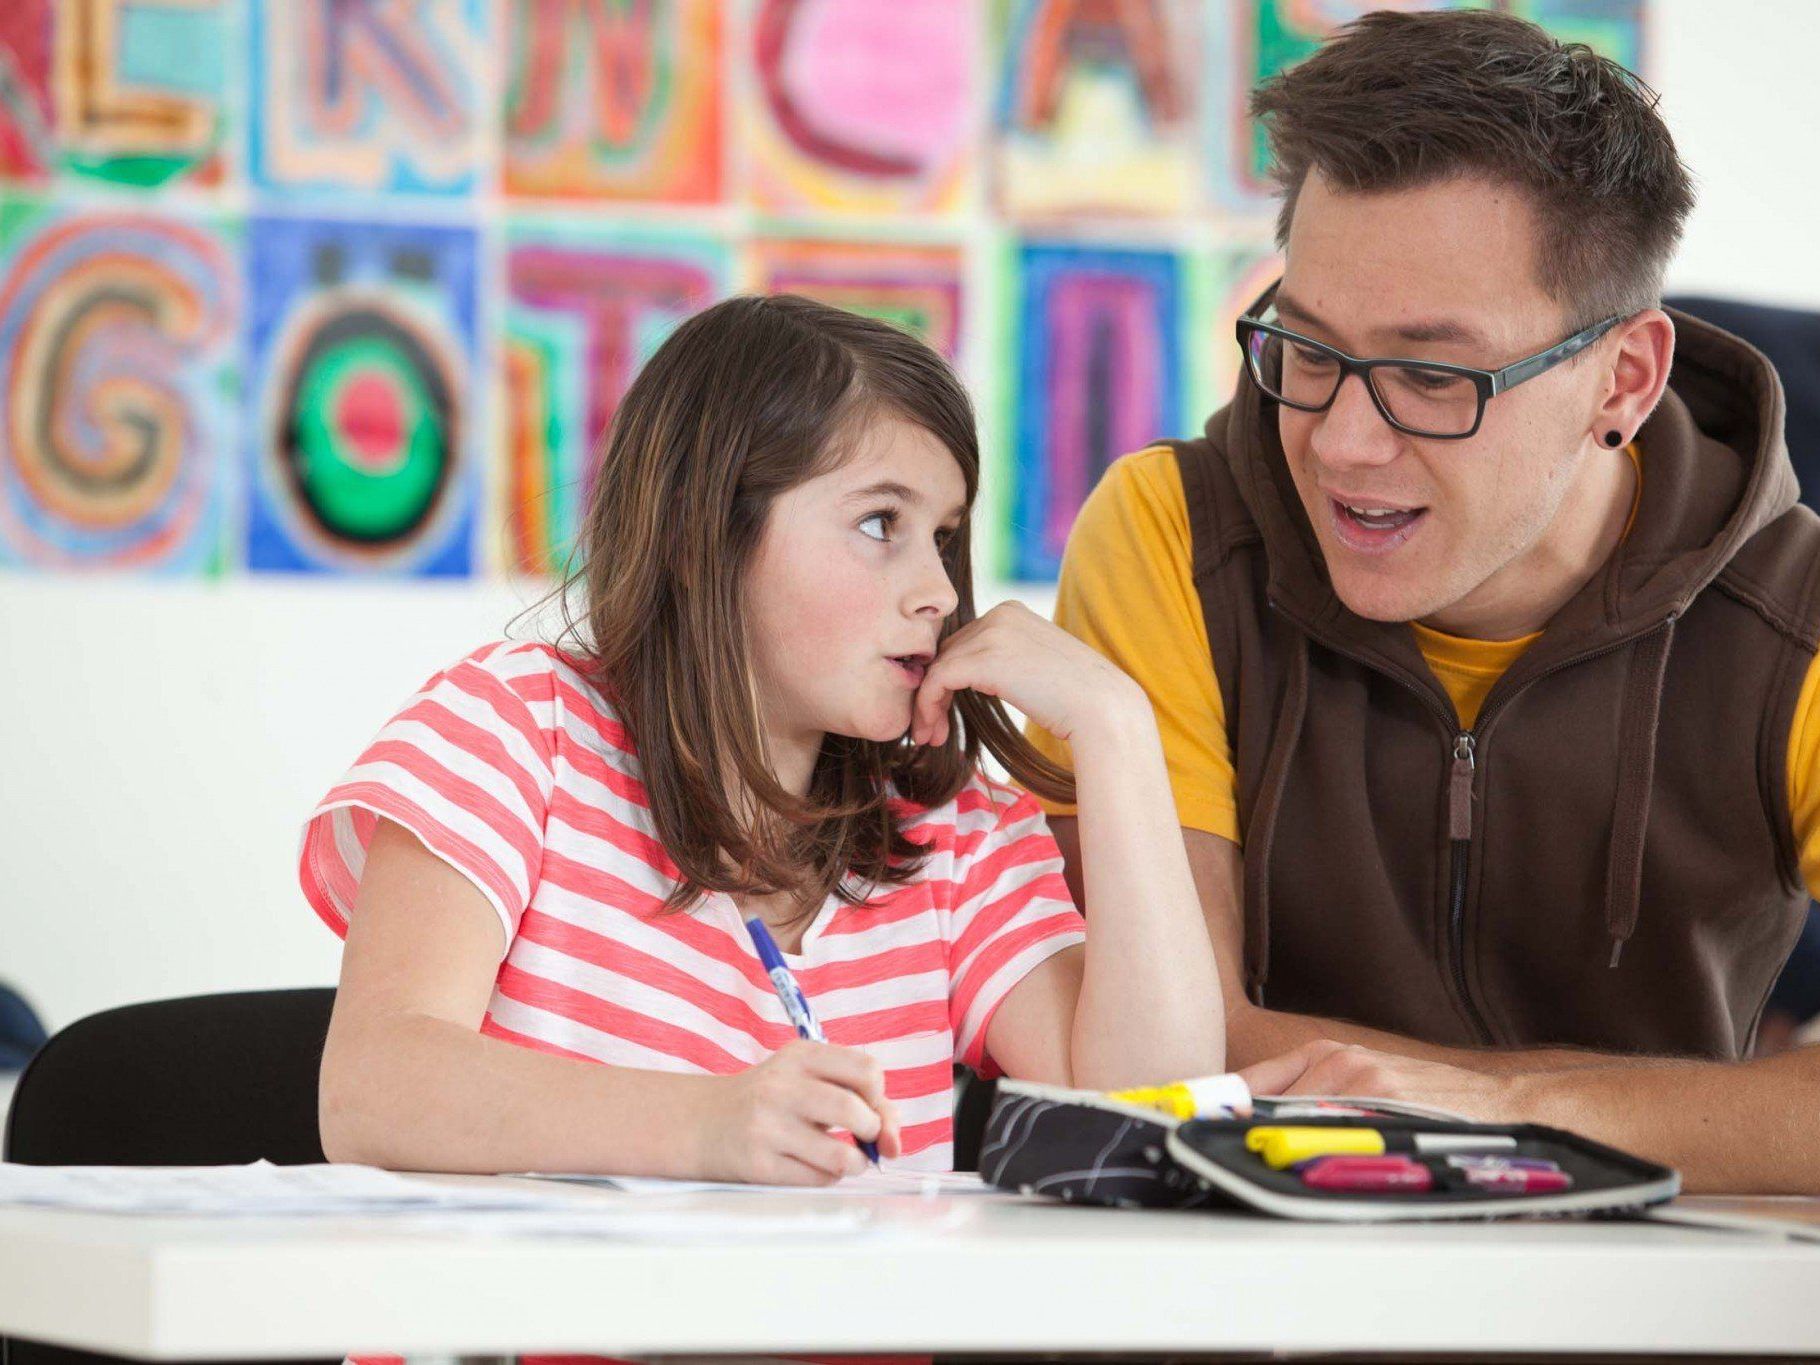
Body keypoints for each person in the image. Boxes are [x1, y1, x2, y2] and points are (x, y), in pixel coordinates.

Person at [1027, 9, 1820, 1194]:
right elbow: (1160, 1049)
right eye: (1305, 348)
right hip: (1230, 1280)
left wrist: (1496, 1109)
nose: (1343, 443)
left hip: (1632, 1293)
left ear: (1624, 377)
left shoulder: (1797, 620)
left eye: (1430, 376)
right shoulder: (1168, 538)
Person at [301, 294, 1222, 1195]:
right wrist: (706, 1124)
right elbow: (374, 1086)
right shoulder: (516, 726)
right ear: (714, 528)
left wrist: (1117, 727)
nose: (939, 589)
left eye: (943, 537)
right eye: (879, 524)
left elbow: (1146, 1116)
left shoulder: (956, 833)